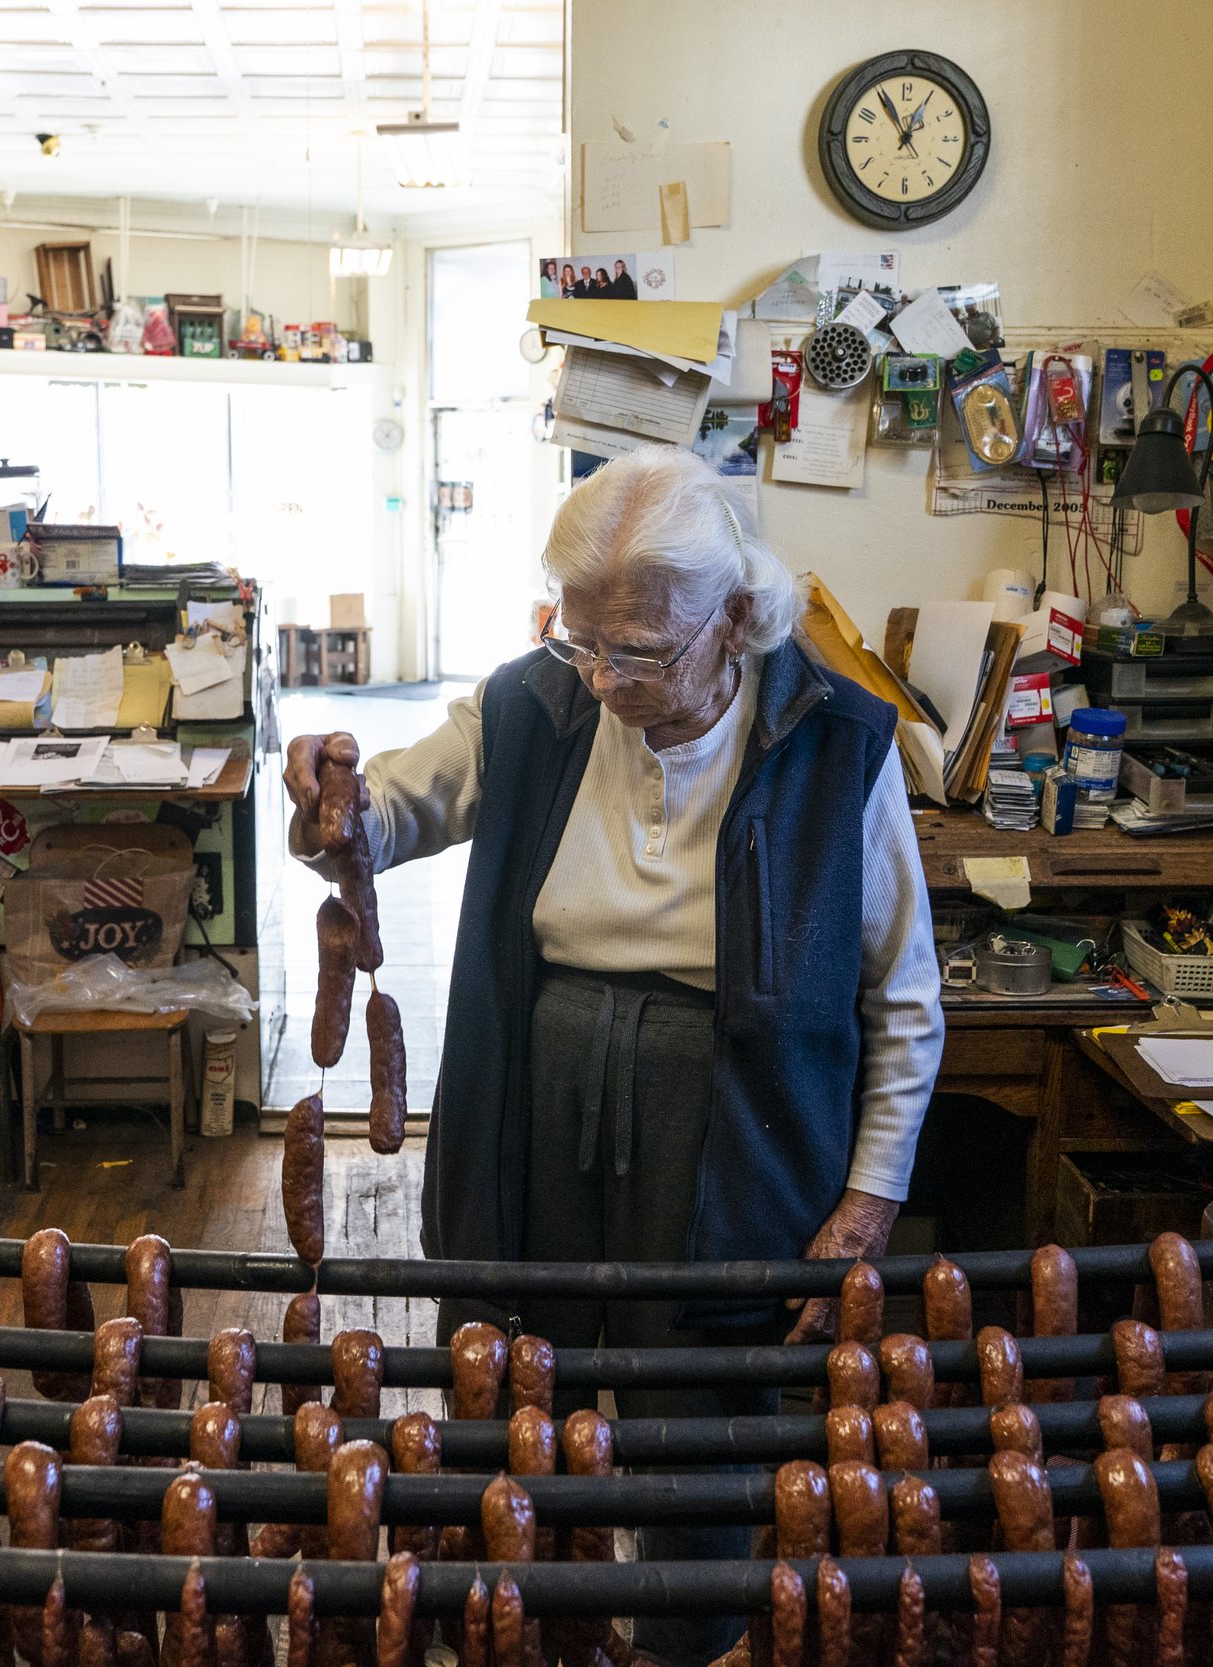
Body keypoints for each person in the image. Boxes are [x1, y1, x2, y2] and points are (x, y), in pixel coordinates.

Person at [286, 445, 942, 1667]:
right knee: (512, 1374)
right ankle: (517, 1632)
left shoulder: (840, 743)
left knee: (704, 1403)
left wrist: (866, 1198)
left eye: (633, 651)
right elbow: (394, 806)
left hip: (732, 1111)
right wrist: (335, 800)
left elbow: (900, 991)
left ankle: (689, 1636)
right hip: (537, 1080)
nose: (598, 674)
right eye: (577, 636)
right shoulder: (536, 698)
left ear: (736, 617)